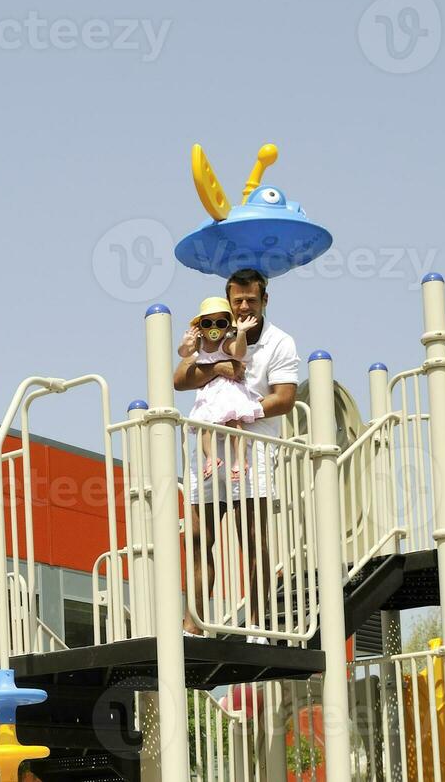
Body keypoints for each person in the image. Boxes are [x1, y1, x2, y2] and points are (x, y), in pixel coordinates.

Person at [173, 268, 300, 635]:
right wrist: (221, 368)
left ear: (265, 300)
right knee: (199, 538)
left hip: (251, 450)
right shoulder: (216, 331)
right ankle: (192, 627)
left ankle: (259, 625)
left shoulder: (280, 342)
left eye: (251, 300)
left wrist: (242, 410)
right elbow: (180, 379)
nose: (244, 306)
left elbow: (285, 399)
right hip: (209, 450)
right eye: (237, 300)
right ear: (228, 301)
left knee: (253, 540)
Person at [179, 295, 264, 498]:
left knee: (234, 423)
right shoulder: (199, 345)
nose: (214, 327)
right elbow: (184, 354)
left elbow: (239, 352)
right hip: (208, 393)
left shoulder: (226, 344)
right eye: (208, 323)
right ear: (200, 327)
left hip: (227, 390)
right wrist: (186, 343)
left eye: (220, 323)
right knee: (203, 425)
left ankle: (240, 459)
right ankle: (210, 458)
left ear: (227, 327)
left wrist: (241, 333)